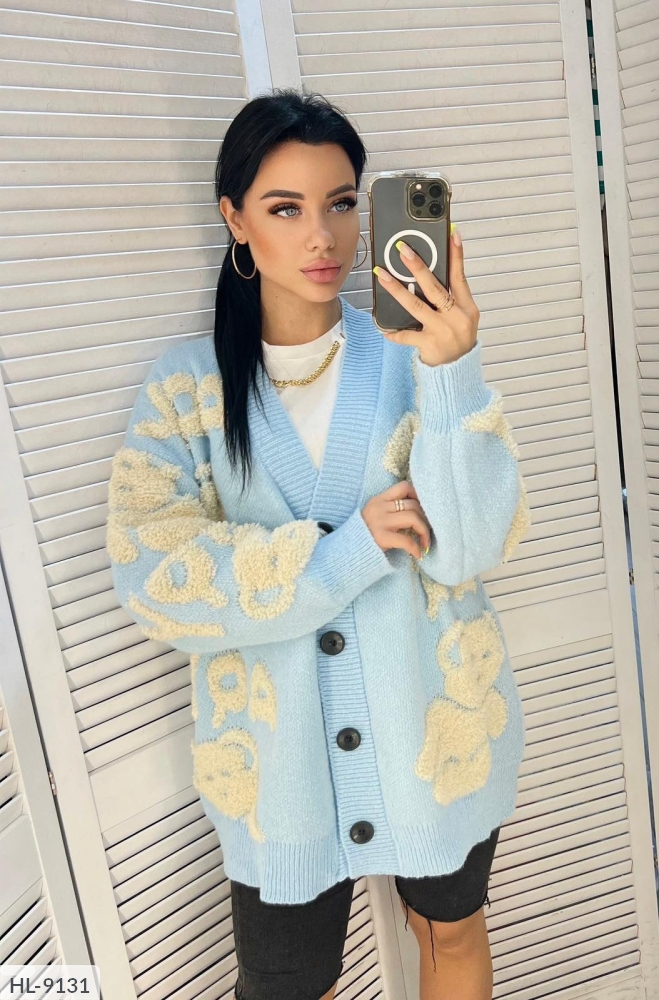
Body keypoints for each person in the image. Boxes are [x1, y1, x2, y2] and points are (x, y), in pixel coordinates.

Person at [106, 89, 531, 1000]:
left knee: (451, 937)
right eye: (284, 208)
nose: (322, 237)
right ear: (235, 219)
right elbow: (153, 575)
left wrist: (452, 372)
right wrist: (342, 554)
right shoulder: (186, 389)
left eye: (341, 203)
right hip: (279, 766)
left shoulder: (414, 357)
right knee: (287, 986)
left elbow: (469, 548)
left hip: (436, 729)